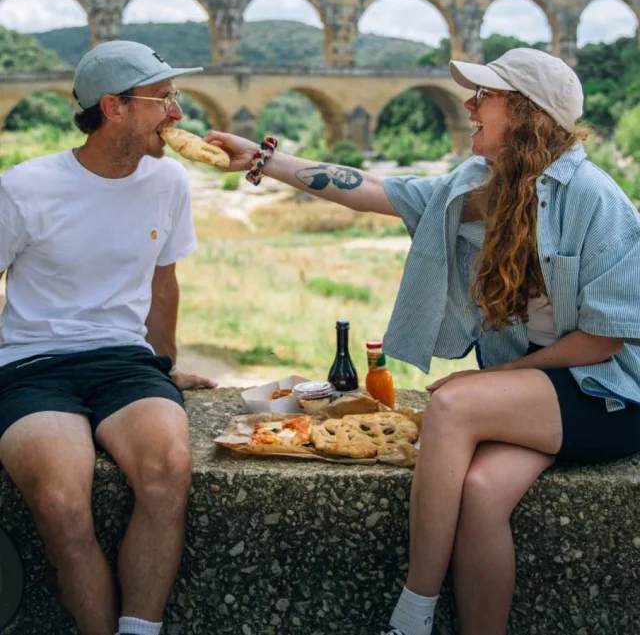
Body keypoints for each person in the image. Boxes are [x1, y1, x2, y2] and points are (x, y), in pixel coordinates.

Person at [204, 47, 640, 635]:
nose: (469, 104)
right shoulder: (474, 188)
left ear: (528, 113)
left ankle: (411, 615)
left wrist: (485, 382)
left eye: (486, 95)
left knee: (453, 404)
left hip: (605, 396)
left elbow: (601, 343)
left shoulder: (594, 198)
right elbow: (373, 189)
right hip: (535, 397)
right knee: (483, 493)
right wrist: (262, 158)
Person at [0, 40, 216, 635]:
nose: (177, 114)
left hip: (125, 362)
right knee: (63, 507)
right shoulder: (23, 188)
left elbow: (164, 282)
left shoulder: (168, 183)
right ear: (113, 108)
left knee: (170, 470)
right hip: (33, 365)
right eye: (164, 100)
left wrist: (164, 364)